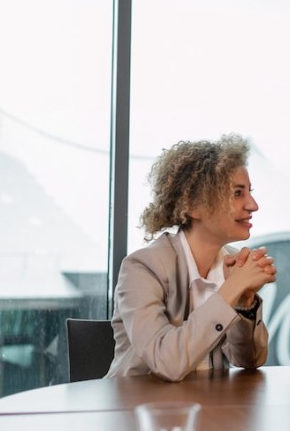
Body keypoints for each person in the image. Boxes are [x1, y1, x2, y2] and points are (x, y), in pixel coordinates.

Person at [106, 135, 277, 381]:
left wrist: (246, 302)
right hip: (139, 413)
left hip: (208, 413)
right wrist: (234, 287)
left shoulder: (231, 263)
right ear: (194, 205)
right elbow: (167, 362)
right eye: (237, 193)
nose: (253, 205)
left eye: (249, 192)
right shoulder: (142, 268)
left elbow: (250, 360)